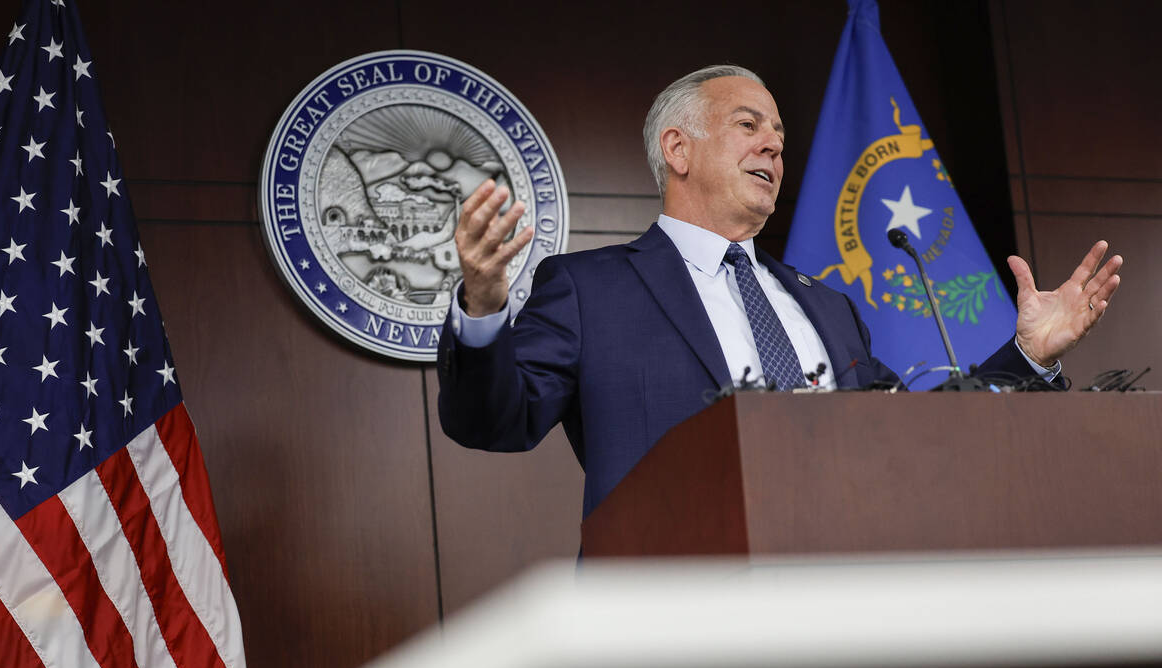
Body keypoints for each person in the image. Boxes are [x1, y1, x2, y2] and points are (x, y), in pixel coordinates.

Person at [436, 65, 1122, 518]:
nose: (773, 147)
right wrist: (485, 308)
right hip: (675, 624)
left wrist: (1026, 354)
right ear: (679, 151)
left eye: (781, 138)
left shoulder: (827, 306)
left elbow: (918, 435)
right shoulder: (590, 290)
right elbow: (492, 421)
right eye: (748, 126)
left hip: (845, 600)